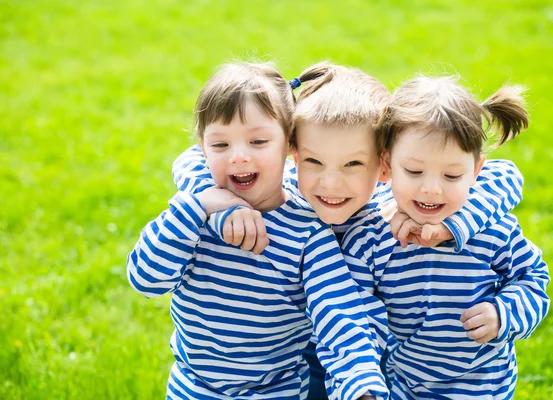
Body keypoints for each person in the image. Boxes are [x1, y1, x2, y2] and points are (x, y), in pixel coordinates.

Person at [171, 63, 528, 399]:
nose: (331, 183)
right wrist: (217, 203)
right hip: (292, 359)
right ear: (292, 153)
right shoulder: (284, 191)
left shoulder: (400, 205)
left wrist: (452, 226)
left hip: (358, 353)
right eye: (313, 162)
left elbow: (503, 175)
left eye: (354, 164)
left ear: (383, 165)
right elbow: (193, 157)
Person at [127, 62, 389, 400]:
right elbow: (146, 280)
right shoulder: (194, 214)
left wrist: (361, 387)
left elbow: (338, 312)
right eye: (220, 145)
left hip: (274, 391)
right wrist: (201, 205)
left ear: (290, 146)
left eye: (258, 141)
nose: (238, 157)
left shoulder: (308, 234)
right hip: (192, 388)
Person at [342, 76, 550, 399]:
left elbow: (533, 279)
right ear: (387, 164)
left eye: (452, 176)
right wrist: (362, 383)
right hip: (404, 387)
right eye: (413, 171)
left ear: (477, 171)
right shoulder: (373, 236)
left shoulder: (493, 231)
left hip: (482, 387)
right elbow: (355, 313)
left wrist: (503, 313)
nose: (431, 189)